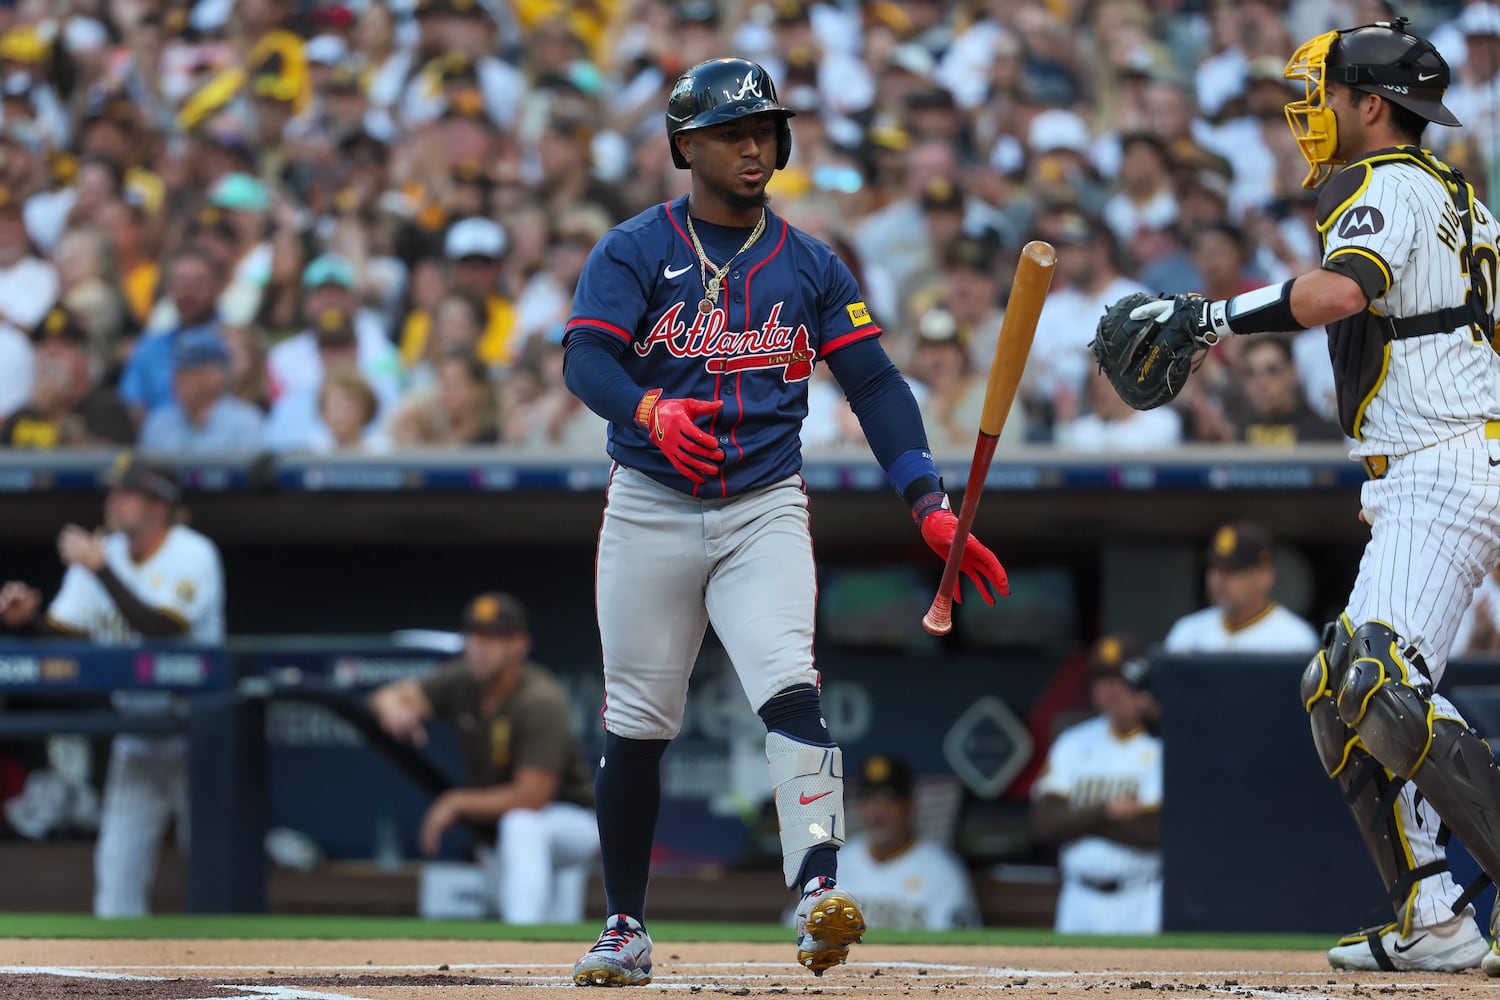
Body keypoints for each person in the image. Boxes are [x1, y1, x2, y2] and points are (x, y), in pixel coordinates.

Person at [561, 58, 1005, 985]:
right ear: (687, 146)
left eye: (763, 128)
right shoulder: (635, 247)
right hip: (650, 502)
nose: (753, 144)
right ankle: (625, 924)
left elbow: (877, 385)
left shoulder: (808, 262)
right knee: (637, 723)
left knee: (791, 691)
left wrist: (927, 499)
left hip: (763, 503)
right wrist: (645, 411)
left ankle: (815, 896)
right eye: (731, 131)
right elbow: (588, 363)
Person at [1097, 19, 1500, 972]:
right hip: (1445, 460)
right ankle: (1433, 920)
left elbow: (1336, 296)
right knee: (1340, 690)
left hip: (1442, 463)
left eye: (1324, 99)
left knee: (1375, 683)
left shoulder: (1386, 181)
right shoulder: (1461, 198)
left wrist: (1209, 315)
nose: (1308, 117)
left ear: (1371, 106)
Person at [0, 456, 224, 917]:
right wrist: (28, 622)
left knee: (212, 868)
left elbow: (160, 629)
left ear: (160, 505)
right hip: (138, 734)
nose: (113, 501)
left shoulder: (192, 552)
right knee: (116, 878)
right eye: (112, 492)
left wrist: (102, 569)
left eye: (126, 493)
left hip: (201, 733)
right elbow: (65, 641)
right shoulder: (106, 555)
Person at [368, 592, 597, 924]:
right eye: (474, 634)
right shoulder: (464, 680)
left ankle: (524, 937)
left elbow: (532, 796)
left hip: (573, 821)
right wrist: (394, 710)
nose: (479, 645)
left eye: (493, 637)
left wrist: (454, 802)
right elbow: (387, 696)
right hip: (503, 830)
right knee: (512, 869)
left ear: (519, 645)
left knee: (521, 825)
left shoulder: (539, 698)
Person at [1030, 635, 1163, 935]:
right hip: (1078, 897)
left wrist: (1078, 819)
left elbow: (1156, 831)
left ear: (1143, 685)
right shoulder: (1072, 742)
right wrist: (1106, 812)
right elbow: (1046, 824)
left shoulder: (1164, 745)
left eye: (1120, 680)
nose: (1112, 691)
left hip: (1141, 896)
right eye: (1103, 681)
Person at [834, 755, 980, 931]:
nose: (878, 809)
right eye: (868, 797)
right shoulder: (837, 862)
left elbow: (959, 947)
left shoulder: (942, 871)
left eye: (890, 797)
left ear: (910, 804)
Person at [1163, 521, 1321, 654]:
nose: (1219, 579)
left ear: (1265, 576)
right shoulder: (1186, 632)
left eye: (1232, 570)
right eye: (1215, 568)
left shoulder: (1297, 639)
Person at [139, 328, 265, 455]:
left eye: (189, 372)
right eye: (177, 371)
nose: (178, 379)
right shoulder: (158, 423)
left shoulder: (245, 423)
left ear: (216, 377)